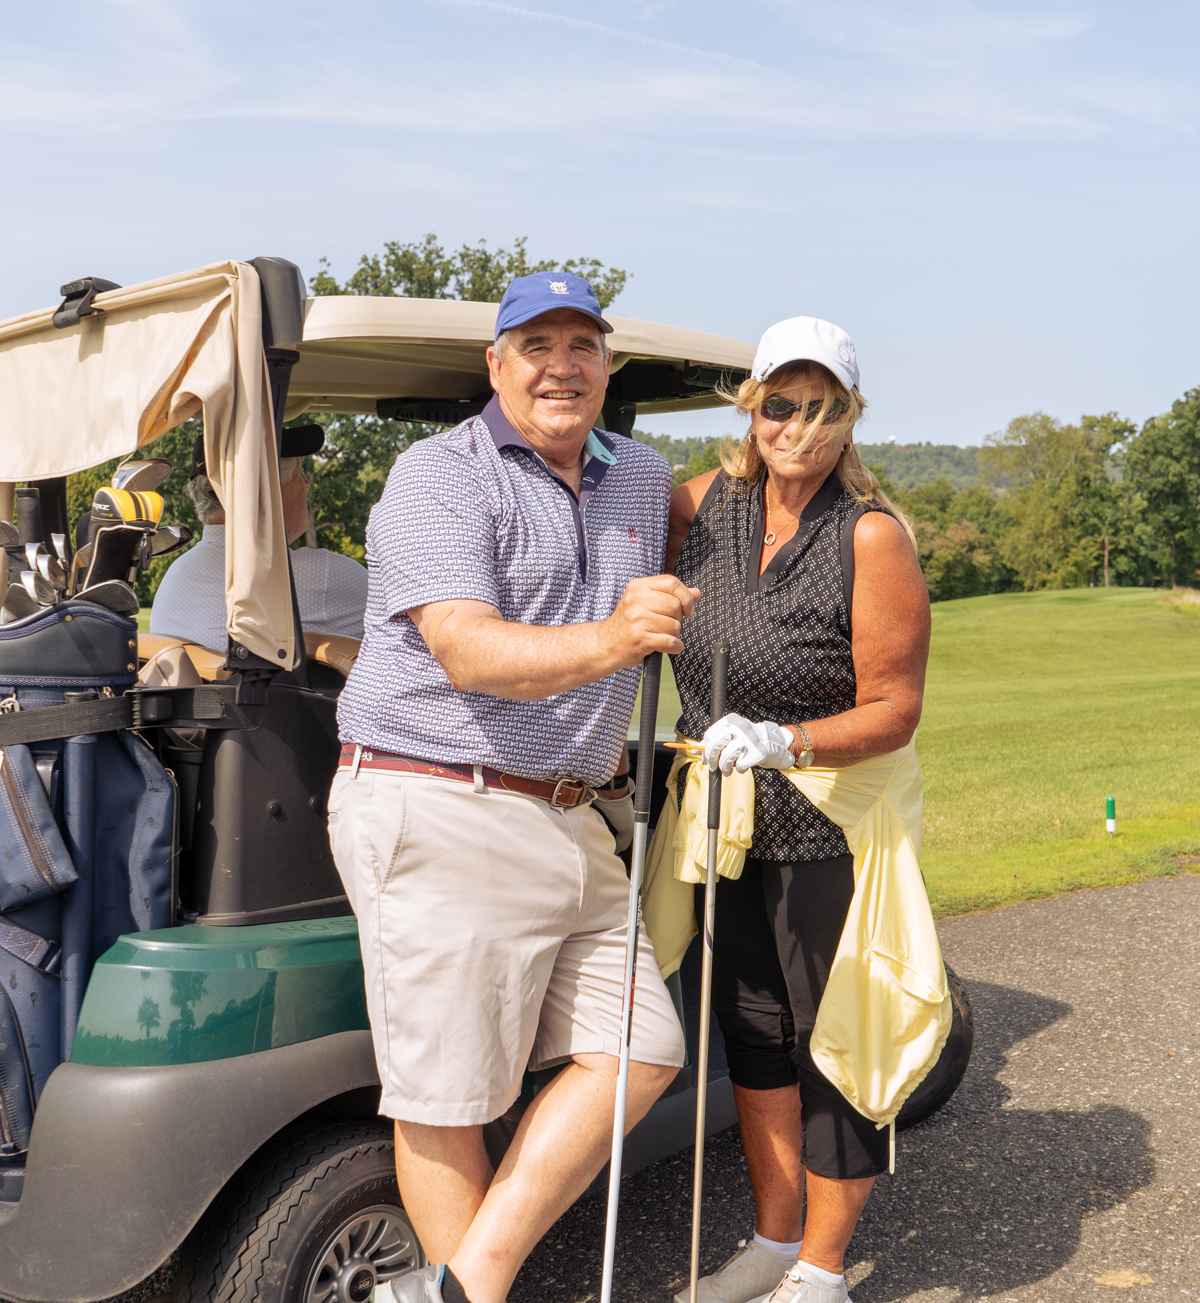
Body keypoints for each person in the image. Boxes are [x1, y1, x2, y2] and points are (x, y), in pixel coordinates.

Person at [330, 272, 693, 1303]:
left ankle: (458, 1287)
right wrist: (619, 637)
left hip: (573, 816)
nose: (560, 366)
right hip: (442, 796)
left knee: (640, 1050)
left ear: (606, 367)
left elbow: (727, 515)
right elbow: (468, 651)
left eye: (581, 344)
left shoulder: (639, 475)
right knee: (449, 1098)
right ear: (495, 366)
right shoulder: (438, 476)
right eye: (535, 344)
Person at [661, 317, 935, 1303]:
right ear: (750, 405)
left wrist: (788, 741)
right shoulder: (698, 505)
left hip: (827, 829)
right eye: (779, 402)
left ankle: (822, 1271)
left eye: (823, 407)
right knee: (752, 1028)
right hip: (726, 827)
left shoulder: (867, 536)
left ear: (850, 416)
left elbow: (894, 709)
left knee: (833, 1036)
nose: (798, 426)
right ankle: (774, 1240)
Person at [149, 451, 368, 649]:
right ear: (268, 490)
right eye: (299, 474)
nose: (306, 483)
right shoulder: (322, 575)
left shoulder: (175, 574)